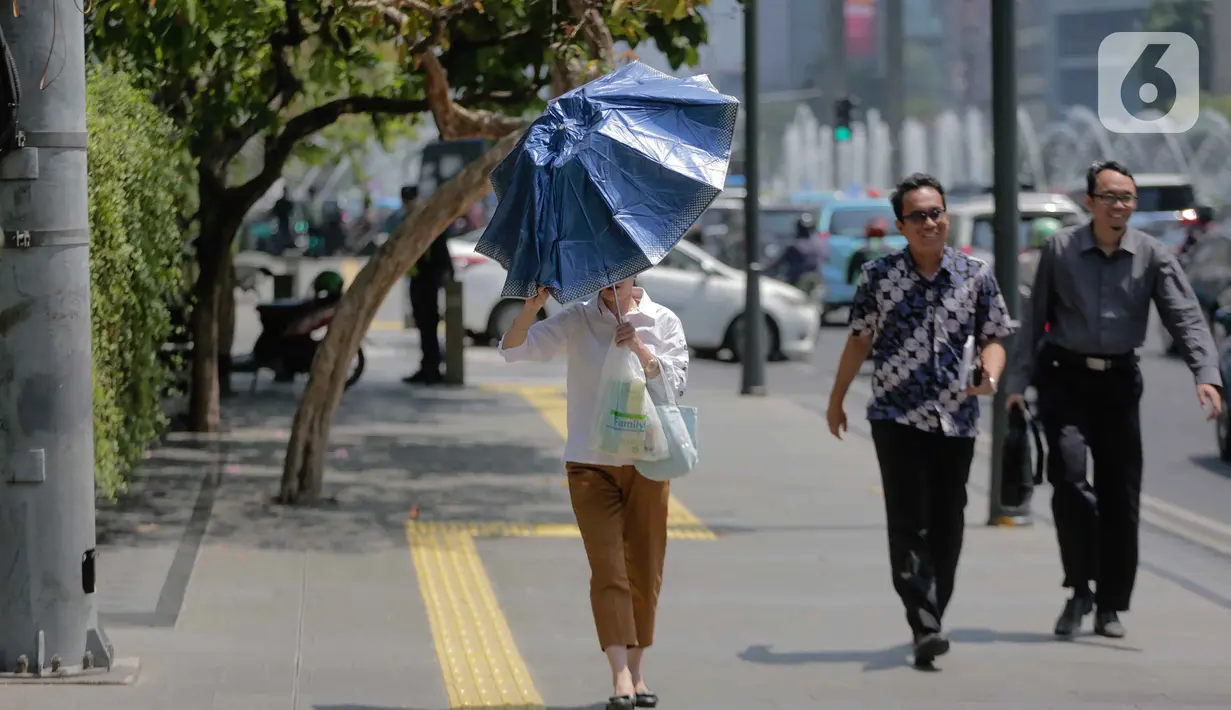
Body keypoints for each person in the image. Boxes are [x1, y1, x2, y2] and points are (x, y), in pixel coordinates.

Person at [1003, 160, 1223, 639]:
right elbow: (1035, 316)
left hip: (1119, 383)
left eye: (1126, 197)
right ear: (1090, 203)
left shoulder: (1154, 255)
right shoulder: (1060, 249)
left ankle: (1109, 604)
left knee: (1121, 497)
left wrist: (1206, 374)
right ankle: (1079, 584)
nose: (1119, 205)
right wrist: (1016, 384)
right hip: (1064, 379)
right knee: (1068, 476)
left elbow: (1184, 316)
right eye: (1109, 197)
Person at [826, 173, 1014, 666]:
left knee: (948, 521)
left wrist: (989, 378)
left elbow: (995, 336)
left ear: (946, 216)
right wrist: (837, 398)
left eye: (937, 213)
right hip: (896, 416)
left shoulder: (976, 273)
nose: (930, 223)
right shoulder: (878, 276)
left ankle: (931, 612)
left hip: (957, 419)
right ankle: (923, 622)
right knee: (908, 521)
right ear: (901, 225)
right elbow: (859, 340)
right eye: (919, 216)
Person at [499, 277, 689, 710]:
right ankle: (620, 675)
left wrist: (642, 351)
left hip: (649, 459)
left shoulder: (662, 321)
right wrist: (530, 309)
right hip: (590, 462)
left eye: (618, 279)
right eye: (603, 281)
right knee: (609, 569)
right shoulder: (578, 319)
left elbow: (676, 385)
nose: (609, 286)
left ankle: (639, 673)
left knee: (646, 566)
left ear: (636, 271)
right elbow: (512, 350)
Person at [392, 184, 456, 385]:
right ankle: (428, 365)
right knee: (422, 324)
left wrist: (448, 274)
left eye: (411, 201)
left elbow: (441, 248)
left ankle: (432, 367)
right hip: (417, 279)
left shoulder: (429, 219)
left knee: (429, 323)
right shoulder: (408, 221)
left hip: (429, 279)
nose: (409, 206)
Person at [767, 214, 825, 291]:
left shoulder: (795, 246)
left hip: (801, 283)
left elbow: (777, 263)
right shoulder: (818, 244)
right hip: (802, 283)